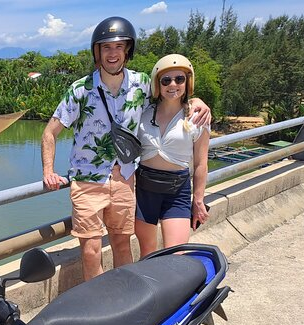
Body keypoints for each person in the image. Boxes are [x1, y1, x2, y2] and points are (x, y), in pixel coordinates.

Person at [42, 17, 210, 280]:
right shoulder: (80, 89)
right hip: (87, 180)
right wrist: (48, 170)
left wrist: (197, 101)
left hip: (125, 179)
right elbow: (49, 132)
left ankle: (125, 301)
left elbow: (173, 95)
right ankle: (99, 306)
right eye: (106, 47)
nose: (113, 53)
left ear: (127, 51)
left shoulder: (142, 84)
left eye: (119, 47)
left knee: (122, 245)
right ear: (97, 52)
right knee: (90, 251)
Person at [134, 54, 210, 257]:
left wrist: (199, 200)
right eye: (166, 80)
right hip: (145, 189)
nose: (173, 85)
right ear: (158, 83)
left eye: (180, 79)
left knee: (176, 255)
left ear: (188, 82)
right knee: (148, 255)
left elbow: (201, 163)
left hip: (177, 191)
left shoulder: (197, 116)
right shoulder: (144, 112)